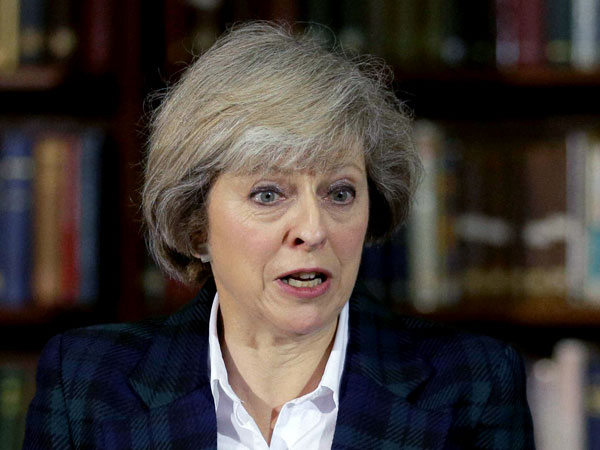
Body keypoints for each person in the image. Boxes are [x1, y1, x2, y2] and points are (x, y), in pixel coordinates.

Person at [23, 22, 534, 449]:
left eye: (339, 193)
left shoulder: (472, 384)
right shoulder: (86, 384)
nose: (313, 230)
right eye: (268, 194)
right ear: (197, 227)